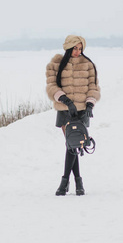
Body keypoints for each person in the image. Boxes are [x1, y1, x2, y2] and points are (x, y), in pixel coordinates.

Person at [46, 35, 101, 196]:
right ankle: (76, 182)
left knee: (74, 144)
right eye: (75, 48)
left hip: (82, 110)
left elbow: (94, 86)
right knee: (71, 144)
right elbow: (51, 85)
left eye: (80, 48)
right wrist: (64, 99)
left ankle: (66, 183)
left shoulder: (88, 64)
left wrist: (90, 103)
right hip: (65, 109)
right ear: (68, 47)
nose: (78, 51)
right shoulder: (55, 64)